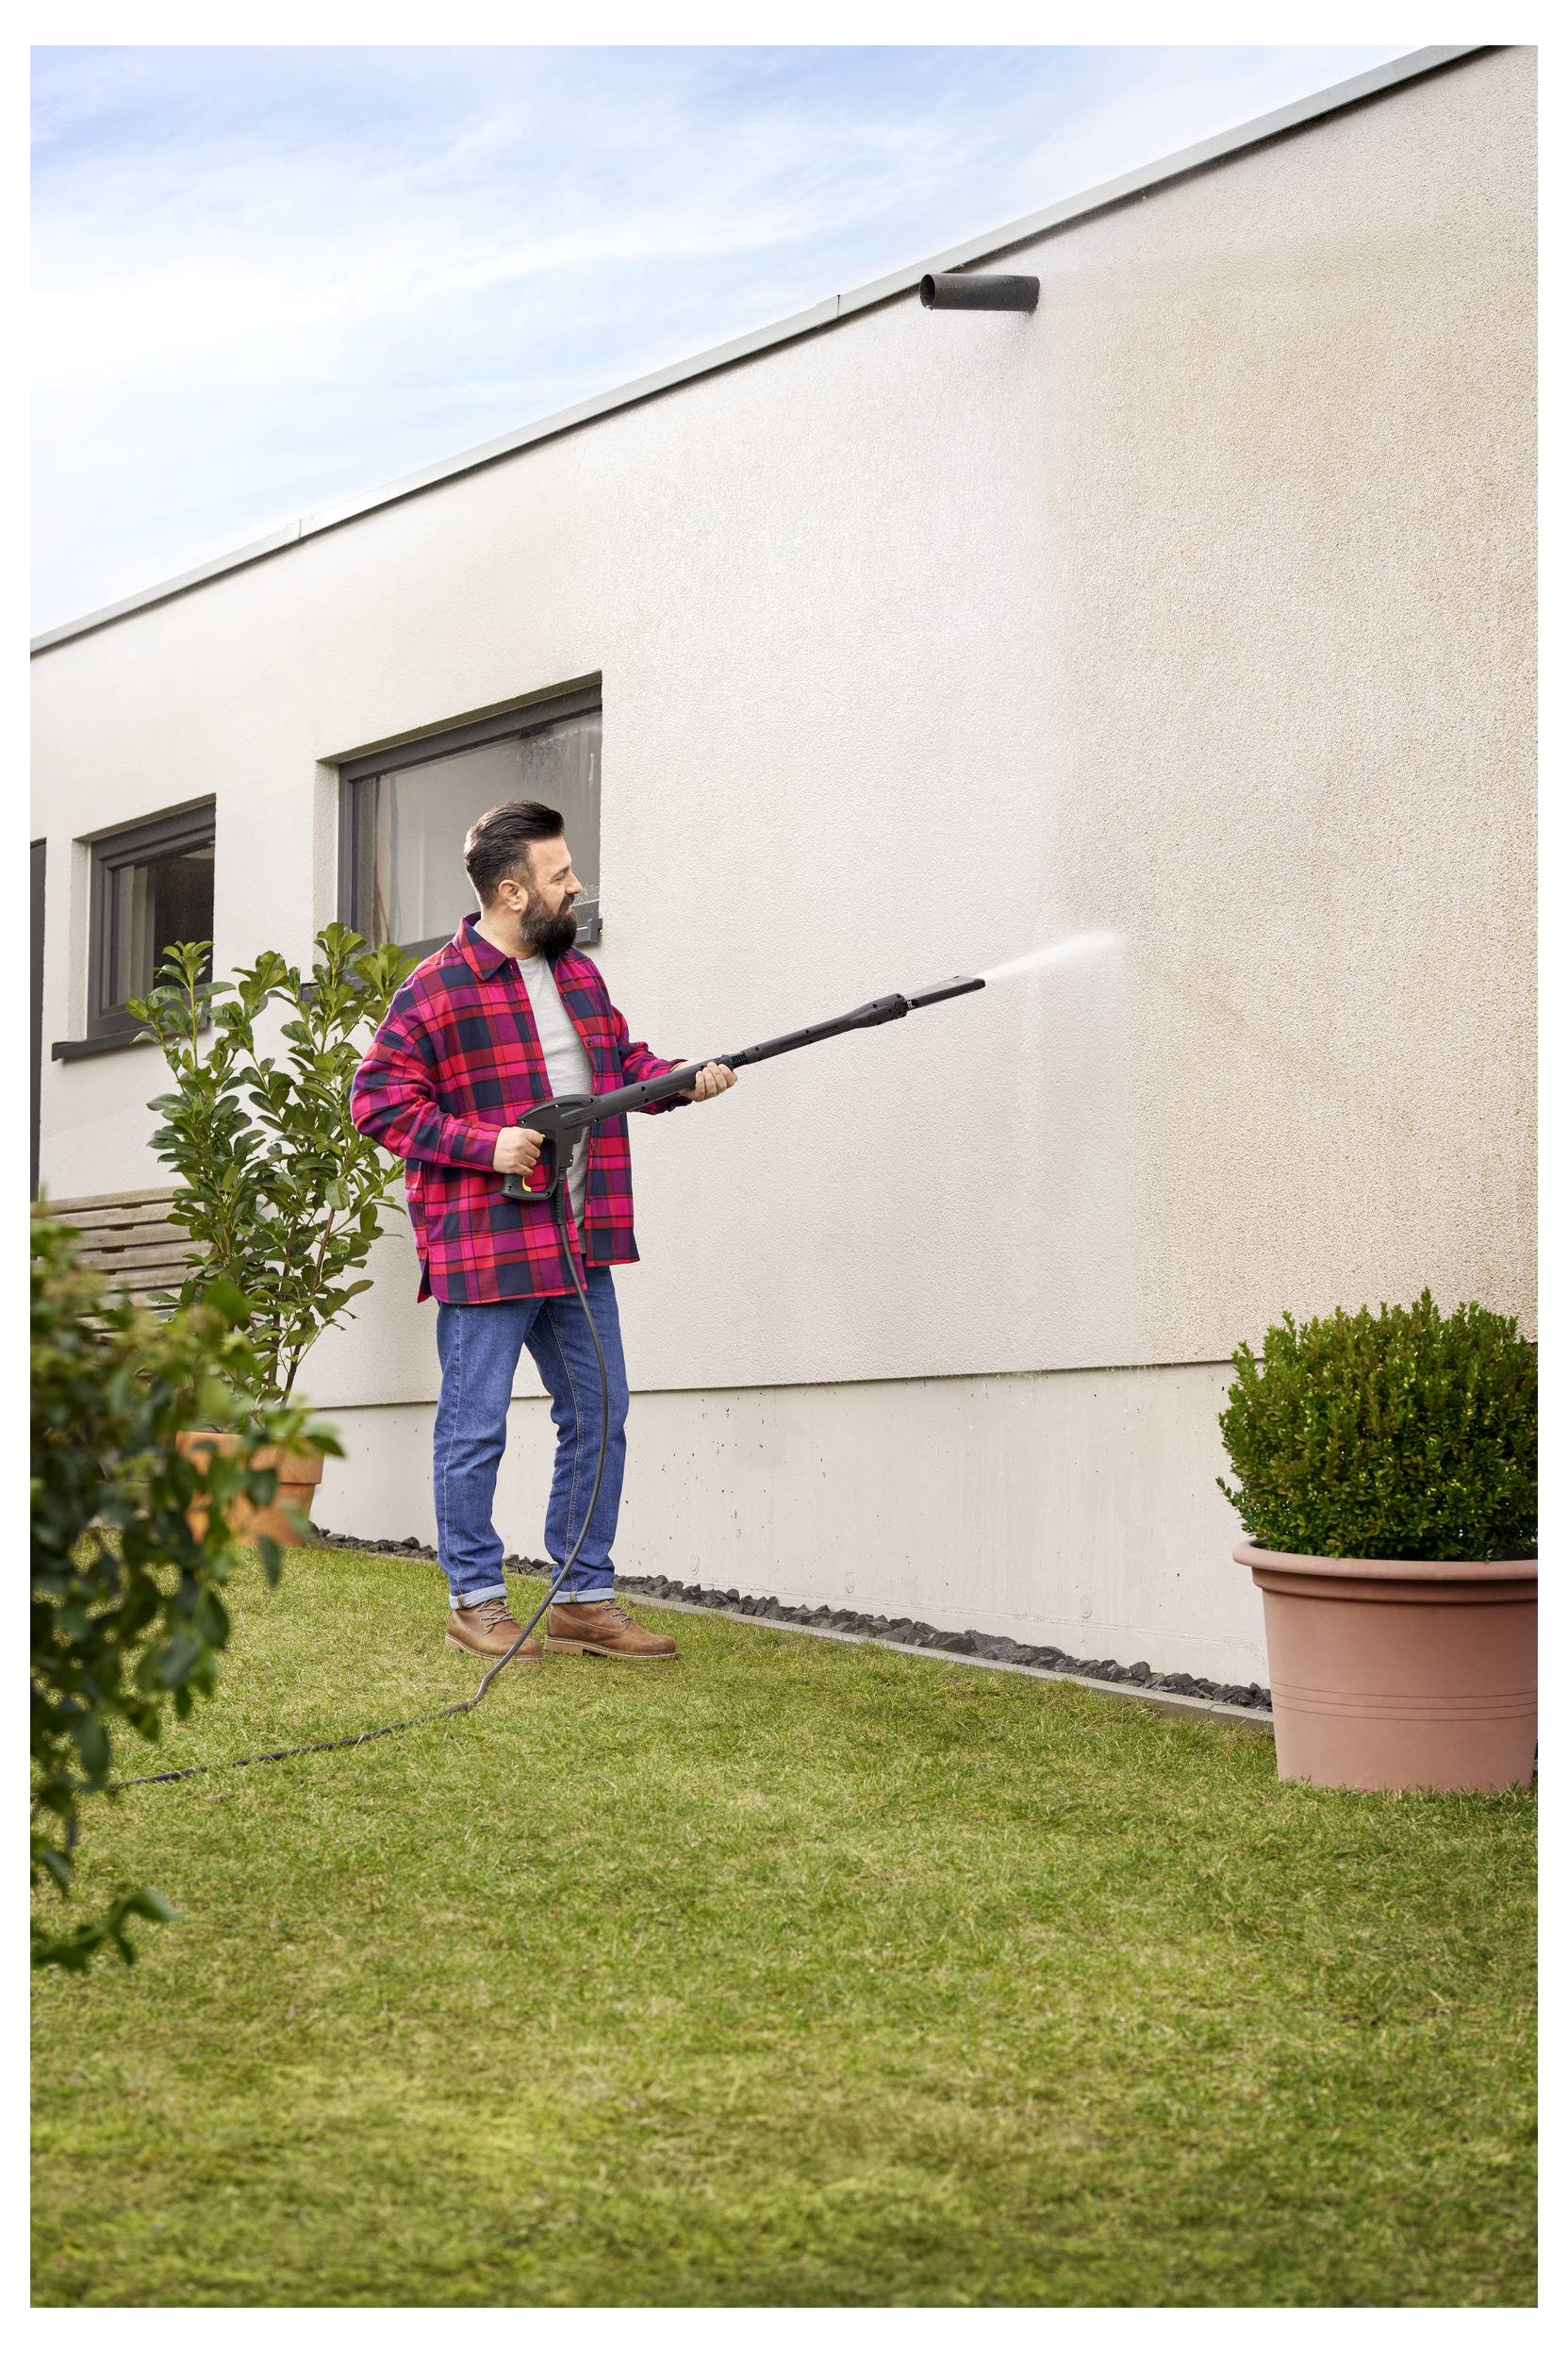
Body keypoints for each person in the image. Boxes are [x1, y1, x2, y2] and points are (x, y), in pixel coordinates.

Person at [350, 799, 736, 1665]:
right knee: (474, 1424)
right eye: (561, 876)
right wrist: (485, 1145)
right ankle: (476, 1599)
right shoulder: (434, 990)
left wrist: (680, 1079)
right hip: (485, 1243)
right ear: (514, 891)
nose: (576, 886)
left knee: (600, 1412)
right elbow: (375, 1100)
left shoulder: (578, 977)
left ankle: (582, 1598)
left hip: (576, 1236)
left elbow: (621, 1069)